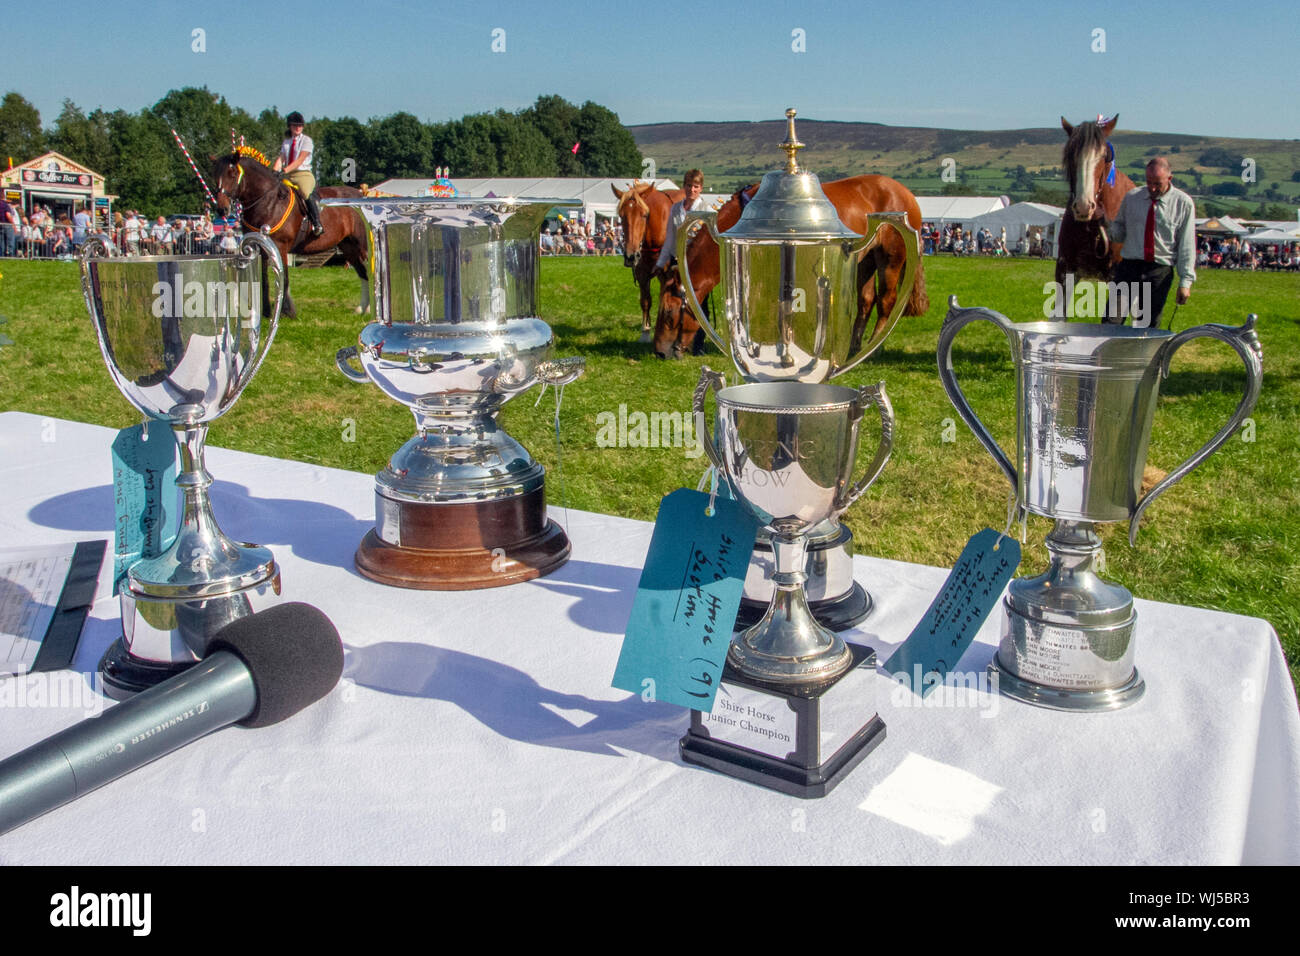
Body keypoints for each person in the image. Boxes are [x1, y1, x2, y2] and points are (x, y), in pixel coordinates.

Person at [1107, 156, 1195, 328]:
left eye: (1157, 183)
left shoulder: (1183, 204)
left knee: (1146, 327)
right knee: (1111, 321)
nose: (1152, 188)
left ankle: (1143, 355)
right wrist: (1103, 221)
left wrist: (1185, 282)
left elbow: (1187, 245)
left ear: (1169, 178)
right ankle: (1108, 355)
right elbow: (1118, 234)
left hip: (1158, 271)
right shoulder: (1132, 198)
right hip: (1128, 268)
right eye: (1149, 182)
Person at [272, 111, 324, 237]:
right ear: (290, 126)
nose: (298, 128)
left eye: (300, 125)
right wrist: (274, 171)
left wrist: (284, 170)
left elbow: (300, 160)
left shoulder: (307, 141)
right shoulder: (286, 142)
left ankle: (317, 223)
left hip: (303, 174)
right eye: (295, 125)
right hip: (289, 175)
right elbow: (281, 159)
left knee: (305, 193)